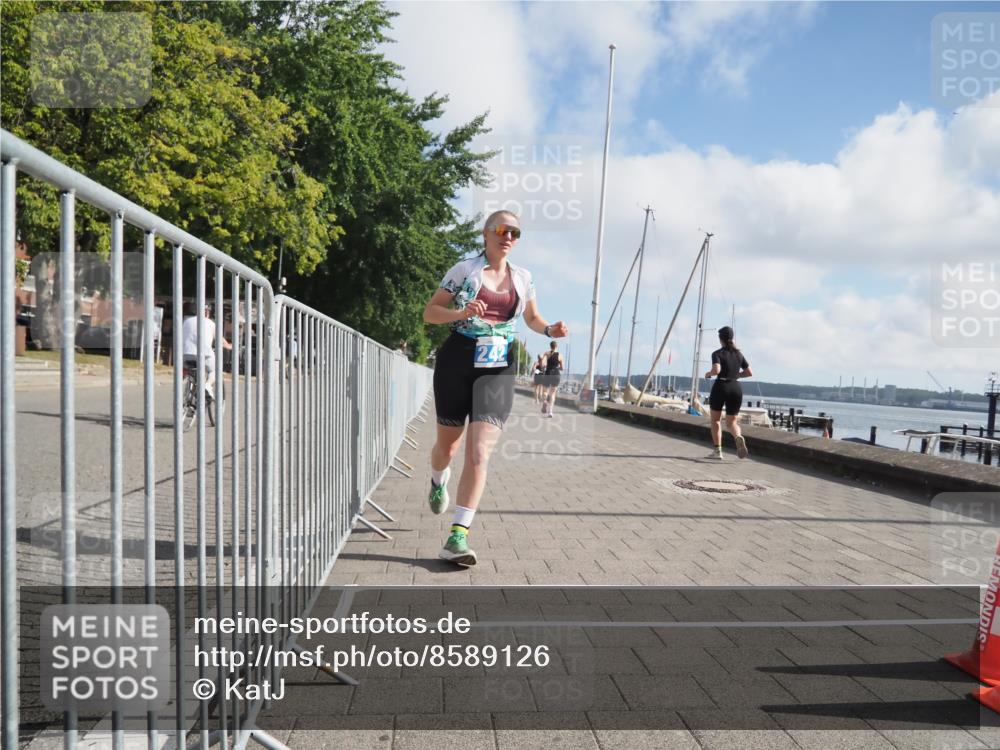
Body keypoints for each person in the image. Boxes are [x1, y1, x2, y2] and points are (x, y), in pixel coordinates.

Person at [423, 210, 568, 566]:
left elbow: (532, 318)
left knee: (479, 452)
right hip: (458, 360)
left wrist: (549, 330)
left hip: (499, 366)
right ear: (486, 233)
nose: (508, 237)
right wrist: (460, 313)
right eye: (502, 230)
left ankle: (458, 535)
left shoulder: (523, 278)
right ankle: (437, 479)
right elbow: (430, 313)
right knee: (448, 447)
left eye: (515, 232)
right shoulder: (464, 271)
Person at [704, 326, 752, 460]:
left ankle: (717, 451)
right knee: (731, 422)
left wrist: (709, 374)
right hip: (736, 388)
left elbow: (717, 369)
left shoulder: (717, 353)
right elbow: (749, 372)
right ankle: (738, 437)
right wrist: (736, 375)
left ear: (721, 339)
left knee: (716, 420)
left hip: (721, 386)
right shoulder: (739, 354)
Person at [182, 303, 231, 400]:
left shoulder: (186, 321)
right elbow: (220, 340)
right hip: (203, 354)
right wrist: (229, 346)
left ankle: (189, 395)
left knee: (189, 370)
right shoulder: (211, 323)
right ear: (207, 313)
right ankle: (207, 386)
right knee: (214, 370)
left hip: (185, 353)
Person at [541, 340, 562, 417]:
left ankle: (545, 401)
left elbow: (543, 365)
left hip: (548, 373)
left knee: (545, 391)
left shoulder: (546, 353)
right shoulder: (560, 355)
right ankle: (550, 412)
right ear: (556, 346)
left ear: (550, 346)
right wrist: (557, 368)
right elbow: (562, 368)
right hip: (556, 374)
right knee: (553, 394)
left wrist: (545, 367)